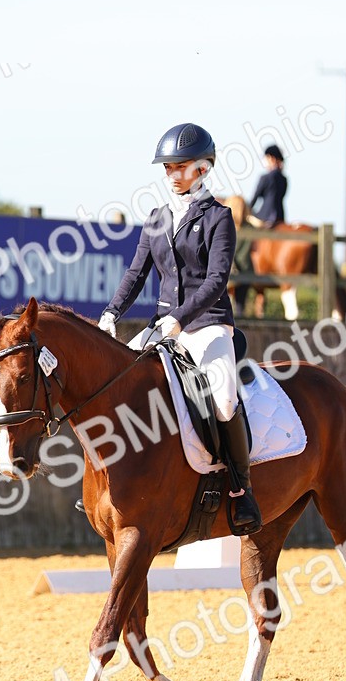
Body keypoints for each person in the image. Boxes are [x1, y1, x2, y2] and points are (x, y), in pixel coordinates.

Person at [98, 122, 262, 534]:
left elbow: (216, 280)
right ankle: (108, 482)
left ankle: (241, 490)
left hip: (206, 324)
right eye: (167, 167)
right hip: (164, 325)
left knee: (224, 399)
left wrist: (180, 318)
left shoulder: (219, 217)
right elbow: (136, 274)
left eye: (179, 166)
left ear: (203, 168)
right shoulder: (157, 218)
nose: (172, 174)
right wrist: (111, 313)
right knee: (118, 382)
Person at [232, 144, 288, 305]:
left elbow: (254, 200)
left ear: (271, 158)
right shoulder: (284, 179)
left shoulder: (265, 178)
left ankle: (240, 264)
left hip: (263, 217)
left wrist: (248, 214)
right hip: (280, 218)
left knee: (244, 232)